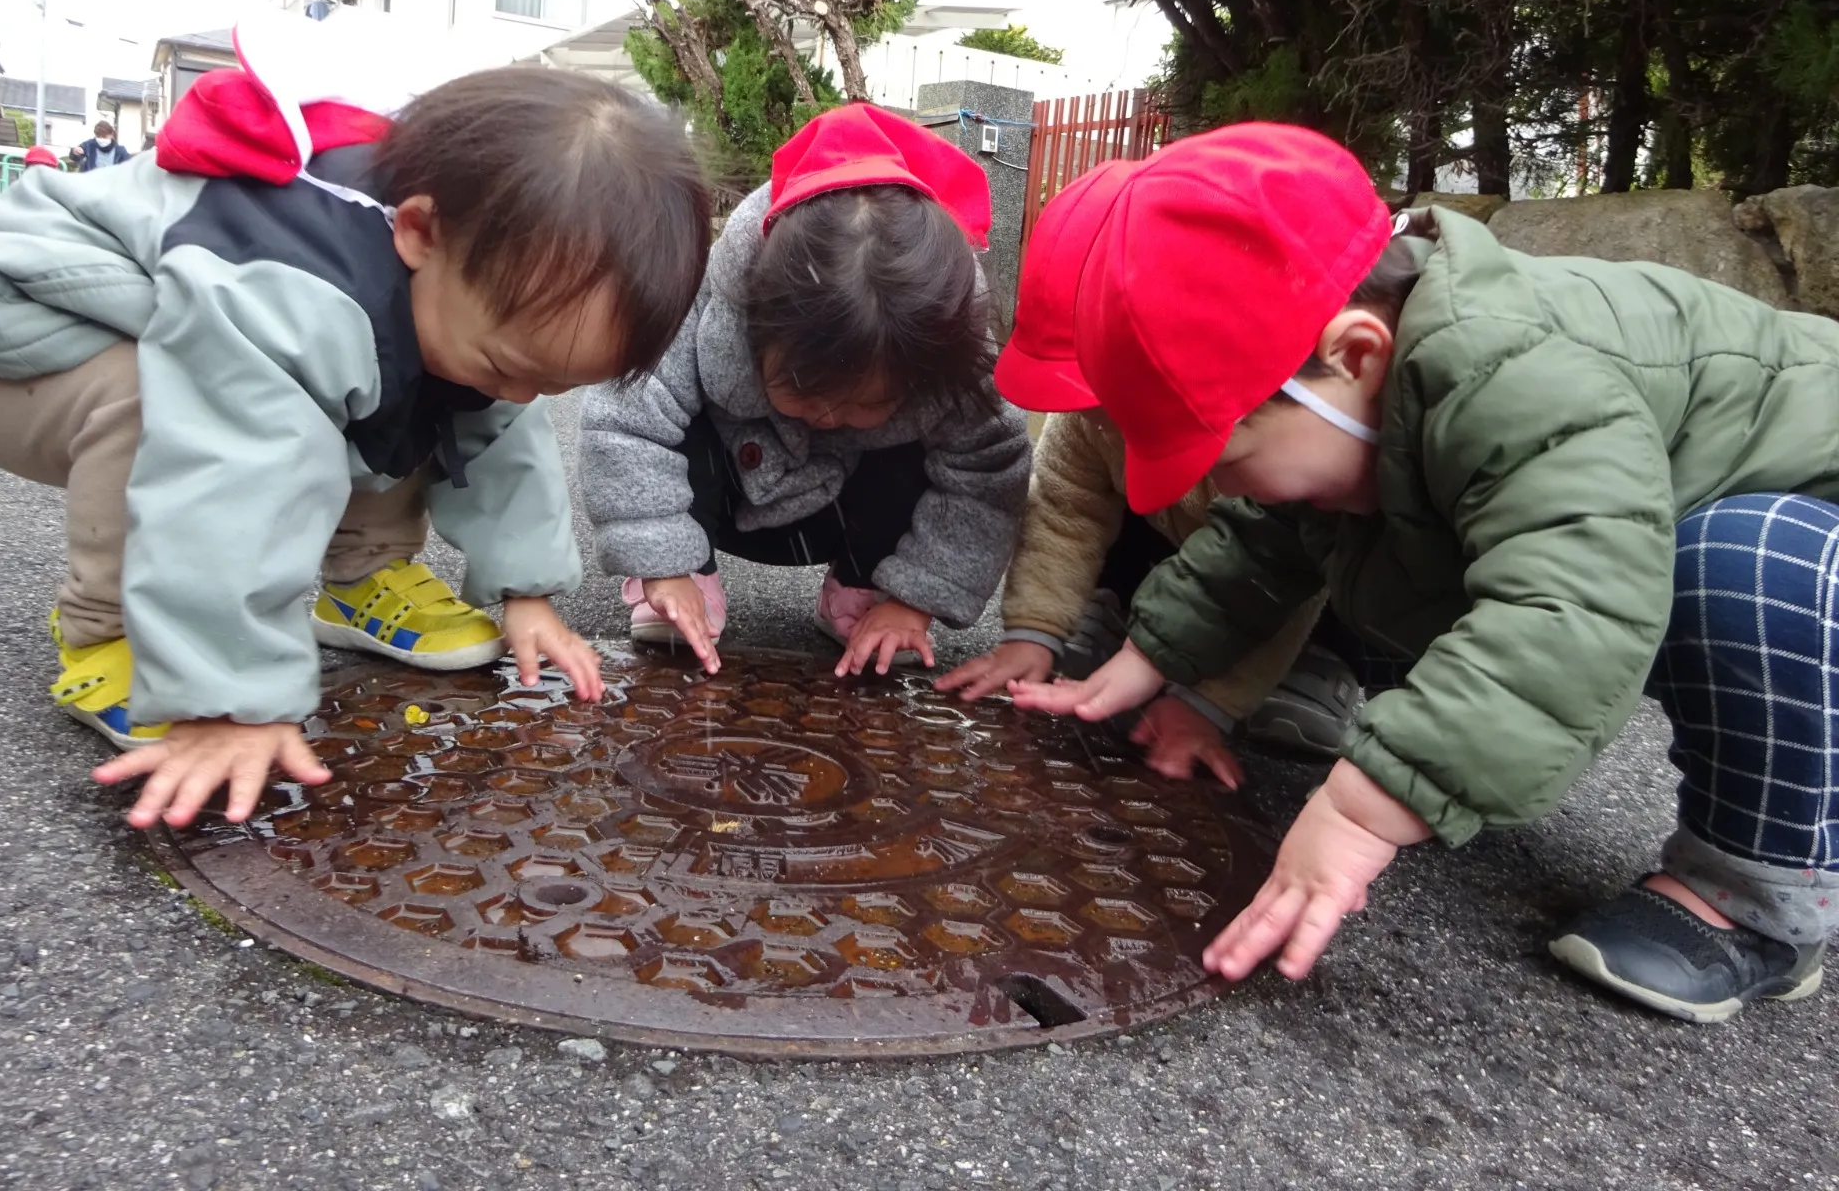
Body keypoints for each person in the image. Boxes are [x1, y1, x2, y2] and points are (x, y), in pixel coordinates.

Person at [1008, 122, 1839, 1023]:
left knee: (1745, 563)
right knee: (1355, 530)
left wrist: (1365, 810)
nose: (1212, 486)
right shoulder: (1374, 395)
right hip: (1640, 534)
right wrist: (1149, 661)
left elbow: (1567, 601)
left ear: (1353, 354)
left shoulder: (1513, 373)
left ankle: (1756, 898)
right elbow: (1260, 541)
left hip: (1801, 541)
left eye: (1224, 453)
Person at [0, 48, 711, 832]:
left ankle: (362, 578)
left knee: (430, 381)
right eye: (514, 365)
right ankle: (113, 629)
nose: (523, 393)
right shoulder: (300, 284)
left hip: (199, 340)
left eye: (554, 382)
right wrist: (227, 694)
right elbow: (233, 471)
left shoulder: (472, 290)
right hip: (4, 351)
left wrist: (525, 591)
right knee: (175, 397)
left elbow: (499, 420)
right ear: (420, 233)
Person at [934, 164, 1358, 785]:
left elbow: (1273, 561)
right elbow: (1065, 509)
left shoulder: (1295, 429)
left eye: (1122, 395)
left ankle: (1324, 663)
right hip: (1183, 546)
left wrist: (1208, 702)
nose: (1106, 416)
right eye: (1093, 397)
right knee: (1123, 500)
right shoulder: (1093, 411)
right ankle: (1132, 624)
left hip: (1325, 580)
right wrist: (1037, 630)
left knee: (1320, 537)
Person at [580, 103, 1031, 679]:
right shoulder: (710, 300)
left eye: (869, 401)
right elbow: (625, 419)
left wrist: (914, 597)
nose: (826, 416)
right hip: (728, 498)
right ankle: (685, 579)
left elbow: (990, 472)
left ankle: (865, 587)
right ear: (754, 322)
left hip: (845, 513)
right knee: (660, 397)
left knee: (940, 449)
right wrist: (660, 561)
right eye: (799, 386)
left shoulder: (944, 357)